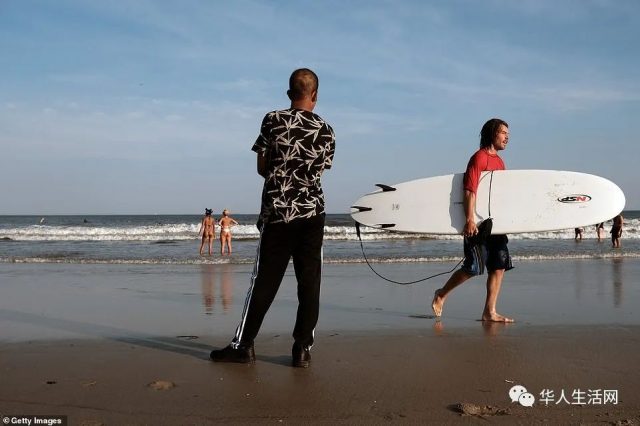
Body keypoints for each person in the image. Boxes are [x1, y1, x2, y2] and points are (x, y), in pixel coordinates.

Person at [210, 68, 335, 367]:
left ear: (289, 93)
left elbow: (261, 166)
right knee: (309, 282)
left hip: (278, 212)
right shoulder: (326, 130)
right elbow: (319, 170)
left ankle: (244, 345)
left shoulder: (272, 120)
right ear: (315, 95)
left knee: (264, 281)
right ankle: (302, 349)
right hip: (312, 213)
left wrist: (279, 173)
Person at [431, 118, 514, 323]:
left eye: (508, 133)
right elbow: (470, 190)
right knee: (474, 267)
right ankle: (441, 294)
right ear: (492, 133)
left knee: (499, 265)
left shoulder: (500, 162)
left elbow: (497, 196)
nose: (507, 137)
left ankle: (489, 311)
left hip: (495, 223)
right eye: (503, 132)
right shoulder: (479, 158)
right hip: (477, 222)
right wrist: (469, 219)